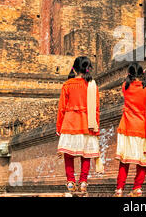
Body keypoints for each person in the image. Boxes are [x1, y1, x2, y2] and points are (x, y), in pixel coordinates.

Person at [56, 56, 102, 193]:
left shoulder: (67, 85)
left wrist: (59, 127)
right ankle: (83, 182)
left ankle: (70, 182)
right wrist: (96, 126)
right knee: (86, 154)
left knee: (69, 155)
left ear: (75, 69)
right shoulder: (92, 85)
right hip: (87, 123)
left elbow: (61, 108)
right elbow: (97, 108)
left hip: (70, 123)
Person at [114, 62, 146, 197]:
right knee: (142, 161)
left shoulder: (125, 87)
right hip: (143, 128)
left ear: (129, 74)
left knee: (124, 161)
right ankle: (137, 188)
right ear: (143, 74)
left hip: (126, 127)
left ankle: (119, 189)